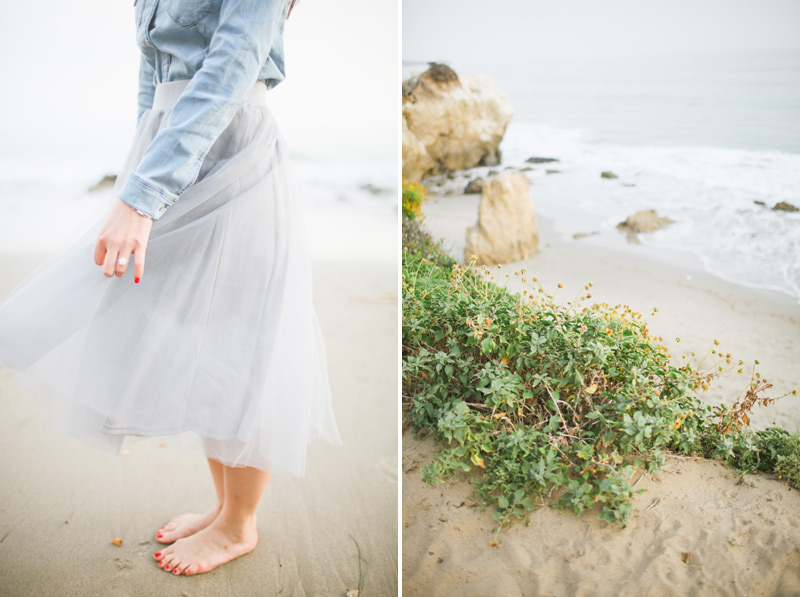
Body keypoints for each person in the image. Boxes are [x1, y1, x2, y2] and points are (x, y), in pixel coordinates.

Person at [0, 0, 340, 576]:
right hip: (171, 155)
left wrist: (142, 195)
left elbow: (232, 67)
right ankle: (225, 507)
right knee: (201, 343)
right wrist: (138, 173)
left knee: (242, 341)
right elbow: (153, 73)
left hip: (233, 156)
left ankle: (239, 525)